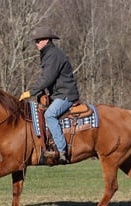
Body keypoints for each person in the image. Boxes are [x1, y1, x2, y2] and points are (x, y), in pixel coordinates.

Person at [19, 26, 80, 164]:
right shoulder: (48, 53)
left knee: (49, 115)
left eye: (38, 41)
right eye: (35, 41)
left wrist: (31, 92)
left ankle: (61, 150)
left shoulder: (53, 54)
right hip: (58, 94)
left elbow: (47, 78)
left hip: (65, 94)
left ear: (46, 40)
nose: (36, 44)